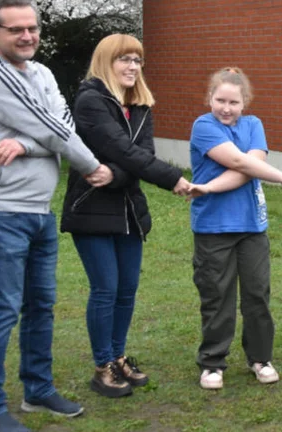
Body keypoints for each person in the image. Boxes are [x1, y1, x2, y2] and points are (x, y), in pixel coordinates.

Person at [0, 0, 113, 432]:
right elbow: (54, 130)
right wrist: (91, 166)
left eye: (32, 28)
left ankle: (38, 389)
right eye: (15, 30)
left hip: (38, 211)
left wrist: (27, 145)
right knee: (2, 309)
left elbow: (60, 124)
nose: (27, 36)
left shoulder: (43, 73)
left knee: (41, 305)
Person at [59, 35, 192, 398]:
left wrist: (115, 175)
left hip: (129, 212)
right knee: (105, 289)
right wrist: (172, 179)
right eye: (124, 60)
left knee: (127, 290)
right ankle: (103, 367)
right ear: (106, 62)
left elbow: (137, 156)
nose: (133, 66)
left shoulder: (141, 105)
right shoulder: (90, 101)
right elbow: (121, 149)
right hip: (91, 209)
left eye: (137, 60)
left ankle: (118, 357)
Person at [186, 68, 282, 391]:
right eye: (220, 100)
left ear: (244, 102)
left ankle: (260, 358)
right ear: (209, 98)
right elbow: (241, 163)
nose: (226, 108)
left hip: (252, 227)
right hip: (213, 227)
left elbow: (250, 168)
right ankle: (212, 362)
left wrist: (209, 187)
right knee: (217, 295)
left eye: (233, 102)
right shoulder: (203, 126)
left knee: (257, 295)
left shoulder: (253, 125)